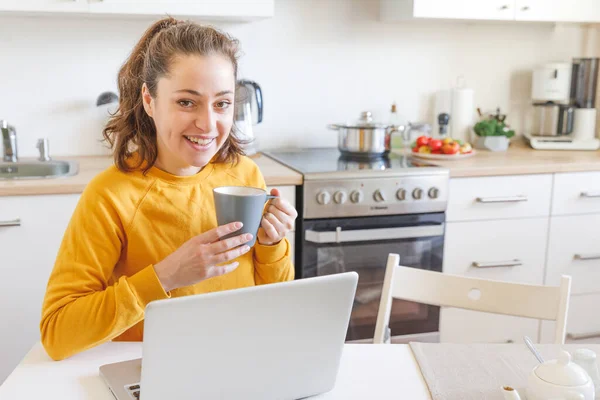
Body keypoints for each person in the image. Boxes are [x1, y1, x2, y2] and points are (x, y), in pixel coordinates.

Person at [39, 17, 296, 361]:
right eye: (186, 102)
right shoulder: (111, 195)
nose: (207, 124)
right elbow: (58, 333)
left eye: (222, 103)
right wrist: (166, 276)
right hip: (151, 370)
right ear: (149, 99)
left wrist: (271, 245)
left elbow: (276, 304)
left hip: (240, 361)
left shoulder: (245, 175)